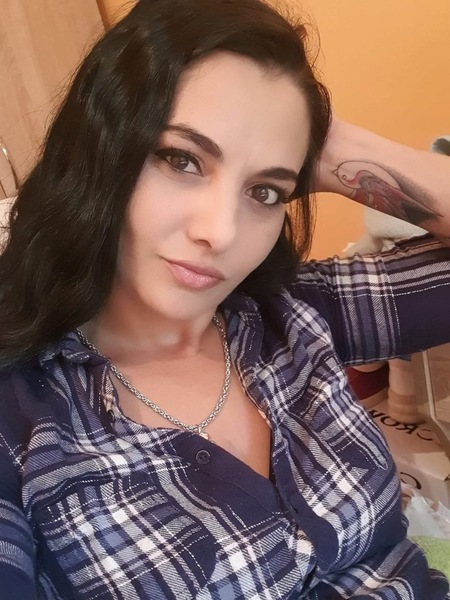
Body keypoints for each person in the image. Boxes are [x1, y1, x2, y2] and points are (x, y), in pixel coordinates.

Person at [0, 0, 449, 598]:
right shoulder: (23, 418)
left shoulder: (290, 314)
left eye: (265, 191)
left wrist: (332, 144)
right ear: (99, 147)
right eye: (181, 160)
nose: (222, 233)